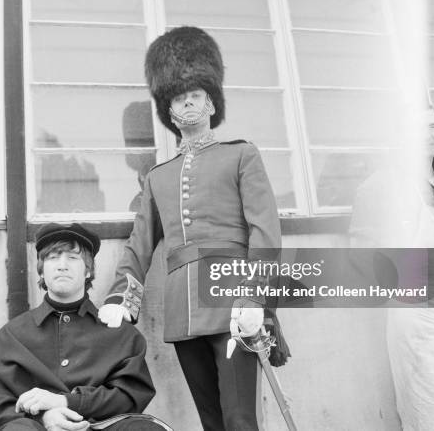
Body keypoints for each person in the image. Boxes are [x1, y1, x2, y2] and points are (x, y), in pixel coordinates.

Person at [98, 26, 290, 431]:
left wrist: (254, 297)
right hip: (183, 312)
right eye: (178, 99)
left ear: (210, 102)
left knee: (240, 419)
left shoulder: (242, 155)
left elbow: (265, 232)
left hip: (232, 301)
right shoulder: (157, 177)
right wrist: (121, 294)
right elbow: (140, 245)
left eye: (195, 96)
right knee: (212, 421)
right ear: (168, 112)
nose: (187, 104)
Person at [0, 223, 168, 431]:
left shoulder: (122, 335)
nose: (62, 265)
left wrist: (67, 401)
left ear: (88, 271)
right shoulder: (12, 335)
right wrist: (44, 418)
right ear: (42, 271)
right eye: (53, 257)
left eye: (73, 258)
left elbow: (131, 394)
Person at [350, 106, 434, 430]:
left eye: (433, 126)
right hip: (419, 316)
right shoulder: (381, 187)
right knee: (432, 406)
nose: (428, 135)